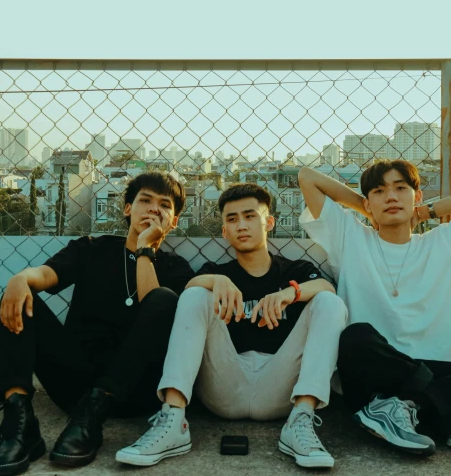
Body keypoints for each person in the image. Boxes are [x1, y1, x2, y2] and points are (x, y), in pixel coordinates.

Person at [298, 160, 451, 455]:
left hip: (431, 370)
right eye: (380, 191)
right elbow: (307, 177)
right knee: (355, 337)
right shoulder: (350, 237)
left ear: (417, 196)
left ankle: (416, 410)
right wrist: (365, 207)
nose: (392, 197)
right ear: (368, 202)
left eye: (401, 189)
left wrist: (426, 213)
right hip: (375, 381)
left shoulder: (441, 243)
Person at [116, 183, 348, 469]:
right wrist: (217, 281)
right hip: (224, 386)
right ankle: (174, 418)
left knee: (330, 303)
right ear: (224, 231)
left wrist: (290, 293)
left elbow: (327, 287)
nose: (241, 225)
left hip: (282, 387)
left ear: (269, 222)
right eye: (232, 219)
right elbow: (190, 288)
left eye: (250, 216)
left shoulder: (294, 270)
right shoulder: (217, 271)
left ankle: (301, 420)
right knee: (196, 294)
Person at [0, 172, 195, 475]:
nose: (153, 209)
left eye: (164, 205)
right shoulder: (91, 249)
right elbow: (43, 276)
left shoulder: (176, 268)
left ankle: (93, 415)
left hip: (133, 392)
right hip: (73, 384)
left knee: (163, 298)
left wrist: (145, 250)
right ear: (127, 209)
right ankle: (18, 422)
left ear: (173, 222)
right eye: (145, 201)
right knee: (18, 297)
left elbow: (152, 304)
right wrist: (19, 279)